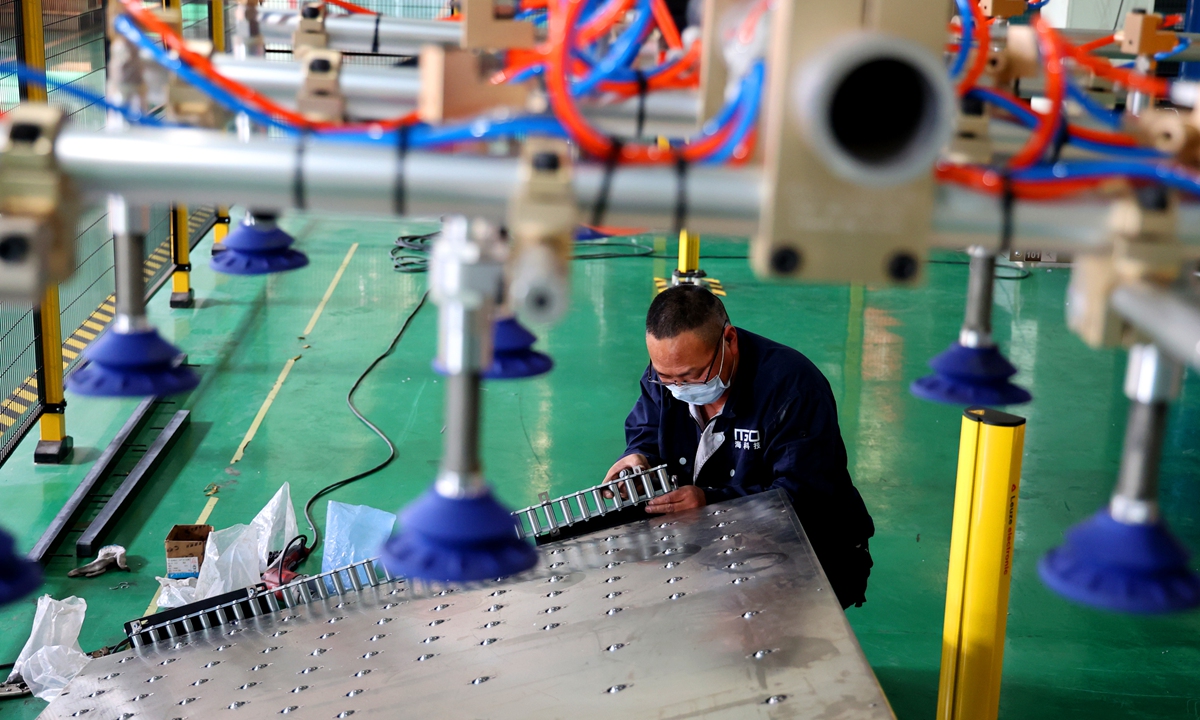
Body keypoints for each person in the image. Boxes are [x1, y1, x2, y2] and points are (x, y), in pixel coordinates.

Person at [606, 285, 875, 608]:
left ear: (729, 340)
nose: (678, 388)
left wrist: (710, 502)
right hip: (713, 549)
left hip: (810, 552)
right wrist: (638, 457)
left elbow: (804, 497)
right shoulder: (667, 375)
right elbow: (647, 427)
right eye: (665, 377)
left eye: (692, 376)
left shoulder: (793, 389)